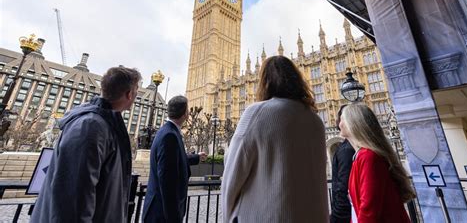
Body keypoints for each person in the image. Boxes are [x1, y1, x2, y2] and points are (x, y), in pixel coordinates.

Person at [222, 55, 328, 222]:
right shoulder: (316, 120)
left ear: (265, 82)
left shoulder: (256, 113)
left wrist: (228, 217)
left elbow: (232, 176)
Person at [31, 66, 142, 222]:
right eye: (137, 91)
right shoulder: (90, 127)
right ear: (129, 94)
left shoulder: (104, 124)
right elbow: (73, 200)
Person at [339, 103, 416, 223]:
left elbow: (369, 210)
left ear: (353, 124)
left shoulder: (368, 157)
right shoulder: (359, 156)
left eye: (342, 118)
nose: (339, 122)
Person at [142, 95, 207, 223]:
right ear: (185, 114)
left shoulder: (168, 131)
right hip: (162, 213)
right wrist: (174, 217)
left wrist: (196, 157)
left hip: (160, 210)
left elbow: (173, 161)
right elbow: (167, 182)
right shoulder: (170, 136)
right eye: (188, 110)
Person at [330, 105, 355, 223]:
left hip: (345, 215)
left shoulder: (346, 150)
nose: (338, 123)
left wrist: (336, 217)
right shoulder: (351, 147)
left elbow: (343, 187)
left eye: (341, 119)